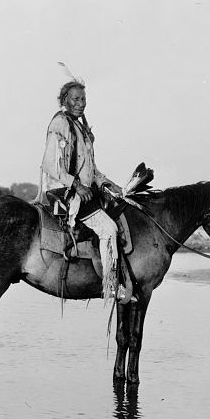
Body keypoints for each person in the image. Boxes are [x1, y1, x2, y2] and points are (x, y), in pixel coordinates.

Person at [40, 79, 132, 302]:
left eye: (83, 100)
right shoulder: (60, 124)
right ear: (65, 101)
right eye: (76, 99)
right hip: (64, 191)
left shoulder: (79, 127)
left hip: (83, 189)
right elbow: (51, 165)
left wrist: (108, 184)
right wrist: (77, 185)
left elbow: (91, 170)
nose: (81, 104)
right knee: (109, 229)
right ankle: (110, 286)